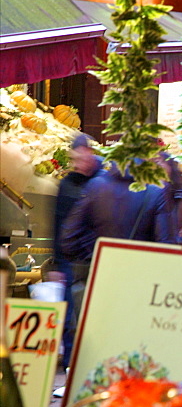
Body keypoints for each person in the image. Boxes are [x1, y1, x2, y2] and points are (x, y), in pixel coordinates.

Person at [52, 135, 103, 367]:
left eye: (81, 157)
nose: (78, 164)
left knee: (93, 315)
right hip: (70, 260)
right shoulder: (67, 184)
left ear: (90, 153)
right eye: (74, 159)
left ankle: (88, 363)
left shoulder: (102, 181)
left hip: (95, 257)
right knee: (70, 315)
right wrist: (56, 263)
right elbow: (58, 223)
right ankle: (71, 364)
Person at [60, 161, 172, 264]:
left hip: (100, 270)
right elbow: (165, 245)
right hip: (138, 272)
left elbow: (69, 237)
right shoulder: (155, 192)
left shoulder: (96, 185)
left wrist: (90, 259)